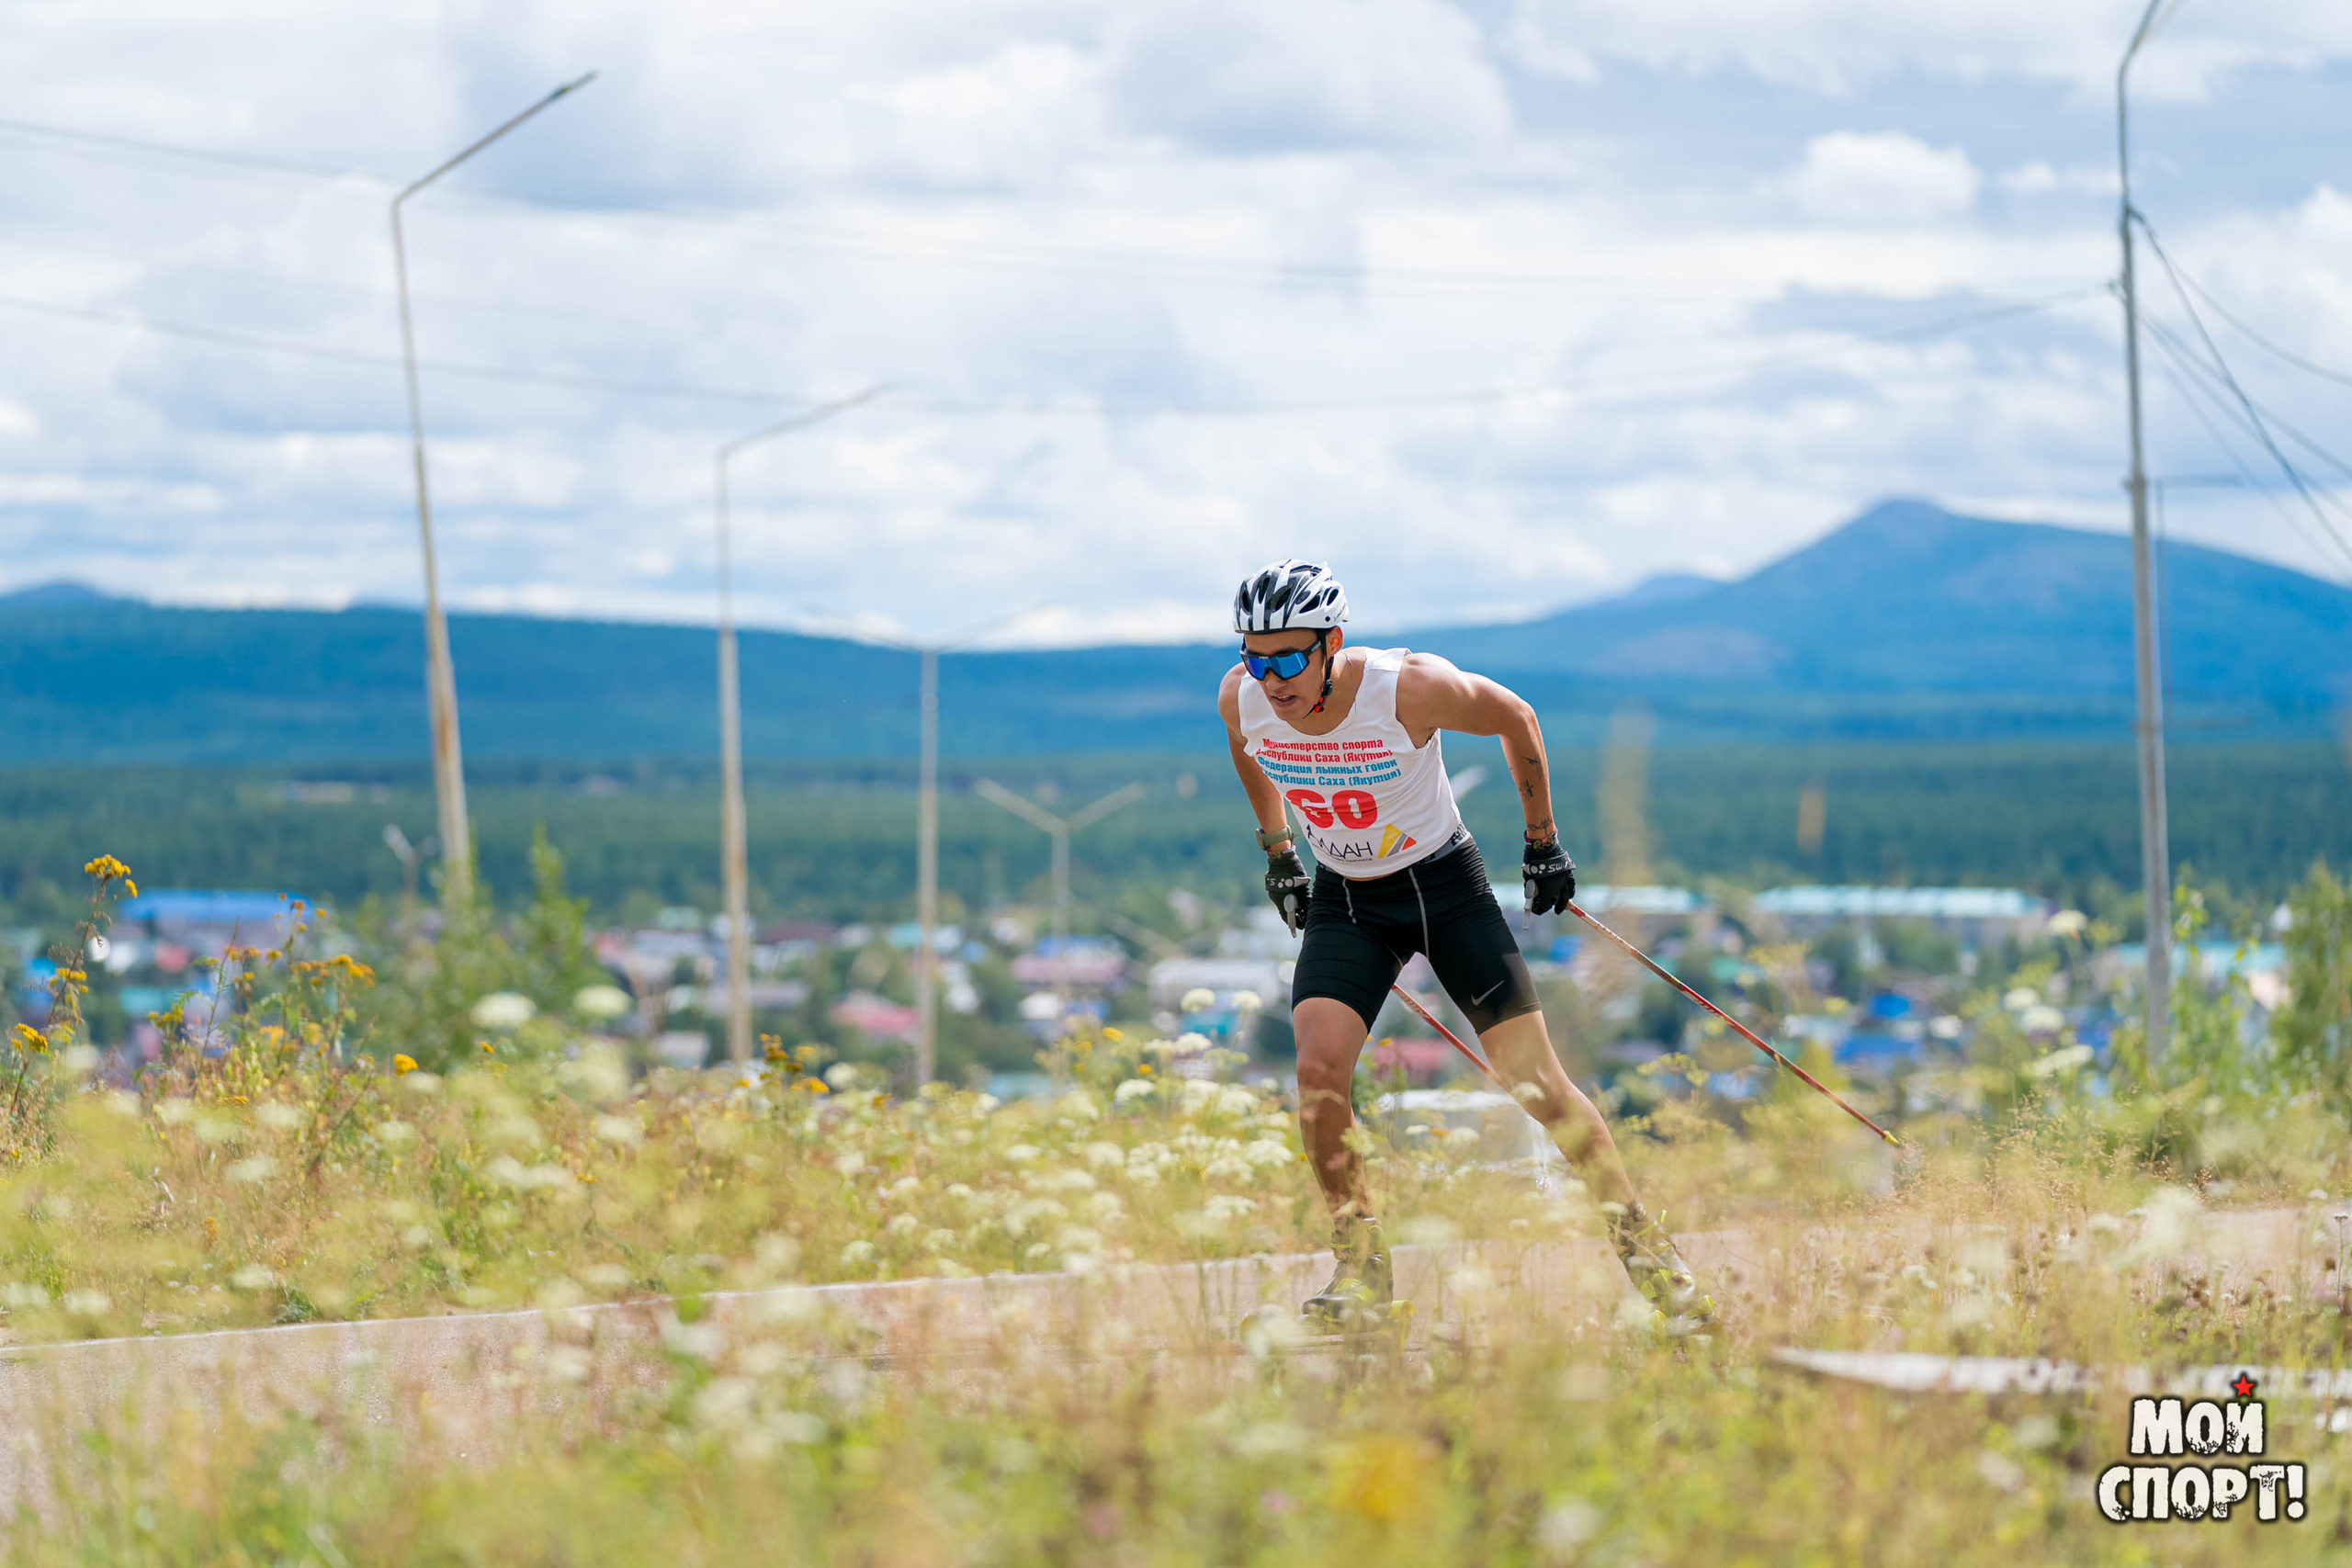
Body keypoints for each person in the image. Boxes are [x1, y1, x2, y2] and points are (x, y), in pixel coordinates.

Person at [1218, 558, 1713, 1336]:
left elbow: (1517, 716)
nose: (1270, 676)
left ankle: (1650, 1256)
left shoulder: (1405, 688)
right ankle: (1362, 1269)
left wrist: (1542, 841)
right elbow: (1247, 748)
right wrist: (1280, 853)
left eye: (1287, 657)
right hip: (1348, 897)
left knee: (1537, 1083)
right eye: (1255, 654)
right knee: (1317, 1075)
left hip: (1444, 889)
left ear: (1331, 643)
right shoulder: (1242, 696)